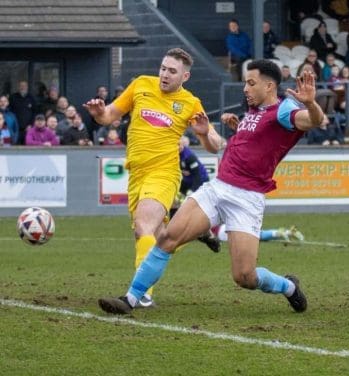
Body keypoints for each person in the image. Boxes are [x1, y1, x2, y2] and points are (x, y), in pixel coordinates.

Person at [96, 60, 324, 315]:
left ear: (269, 86)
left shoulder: (283, 110)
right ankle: (131, 299)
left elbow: (313, 120)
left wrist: (311, 103)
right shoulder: (254, 111)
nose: (245, 89)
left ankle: (289, 287)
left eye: (251, 83)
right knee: (167, 238)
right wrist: (228, 131)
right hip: (217, 188)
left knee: (244, 276)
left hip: (246, 198)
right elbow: (254, 144)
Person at [84, 48, 225, 309]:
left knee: (143, 227)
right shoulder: (140, 85)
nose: (164, 74)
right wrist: (98, 113)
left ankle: (141, 293)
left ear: (185, 76)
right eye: (163, 68)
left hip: (164, 173)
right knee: (158, 238)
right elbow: (108, 116)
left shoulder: (191, 103)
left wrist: (205, 134)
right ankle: (197, 232)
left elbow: (216, 145)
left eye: (172, 71)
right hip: (136, 174)